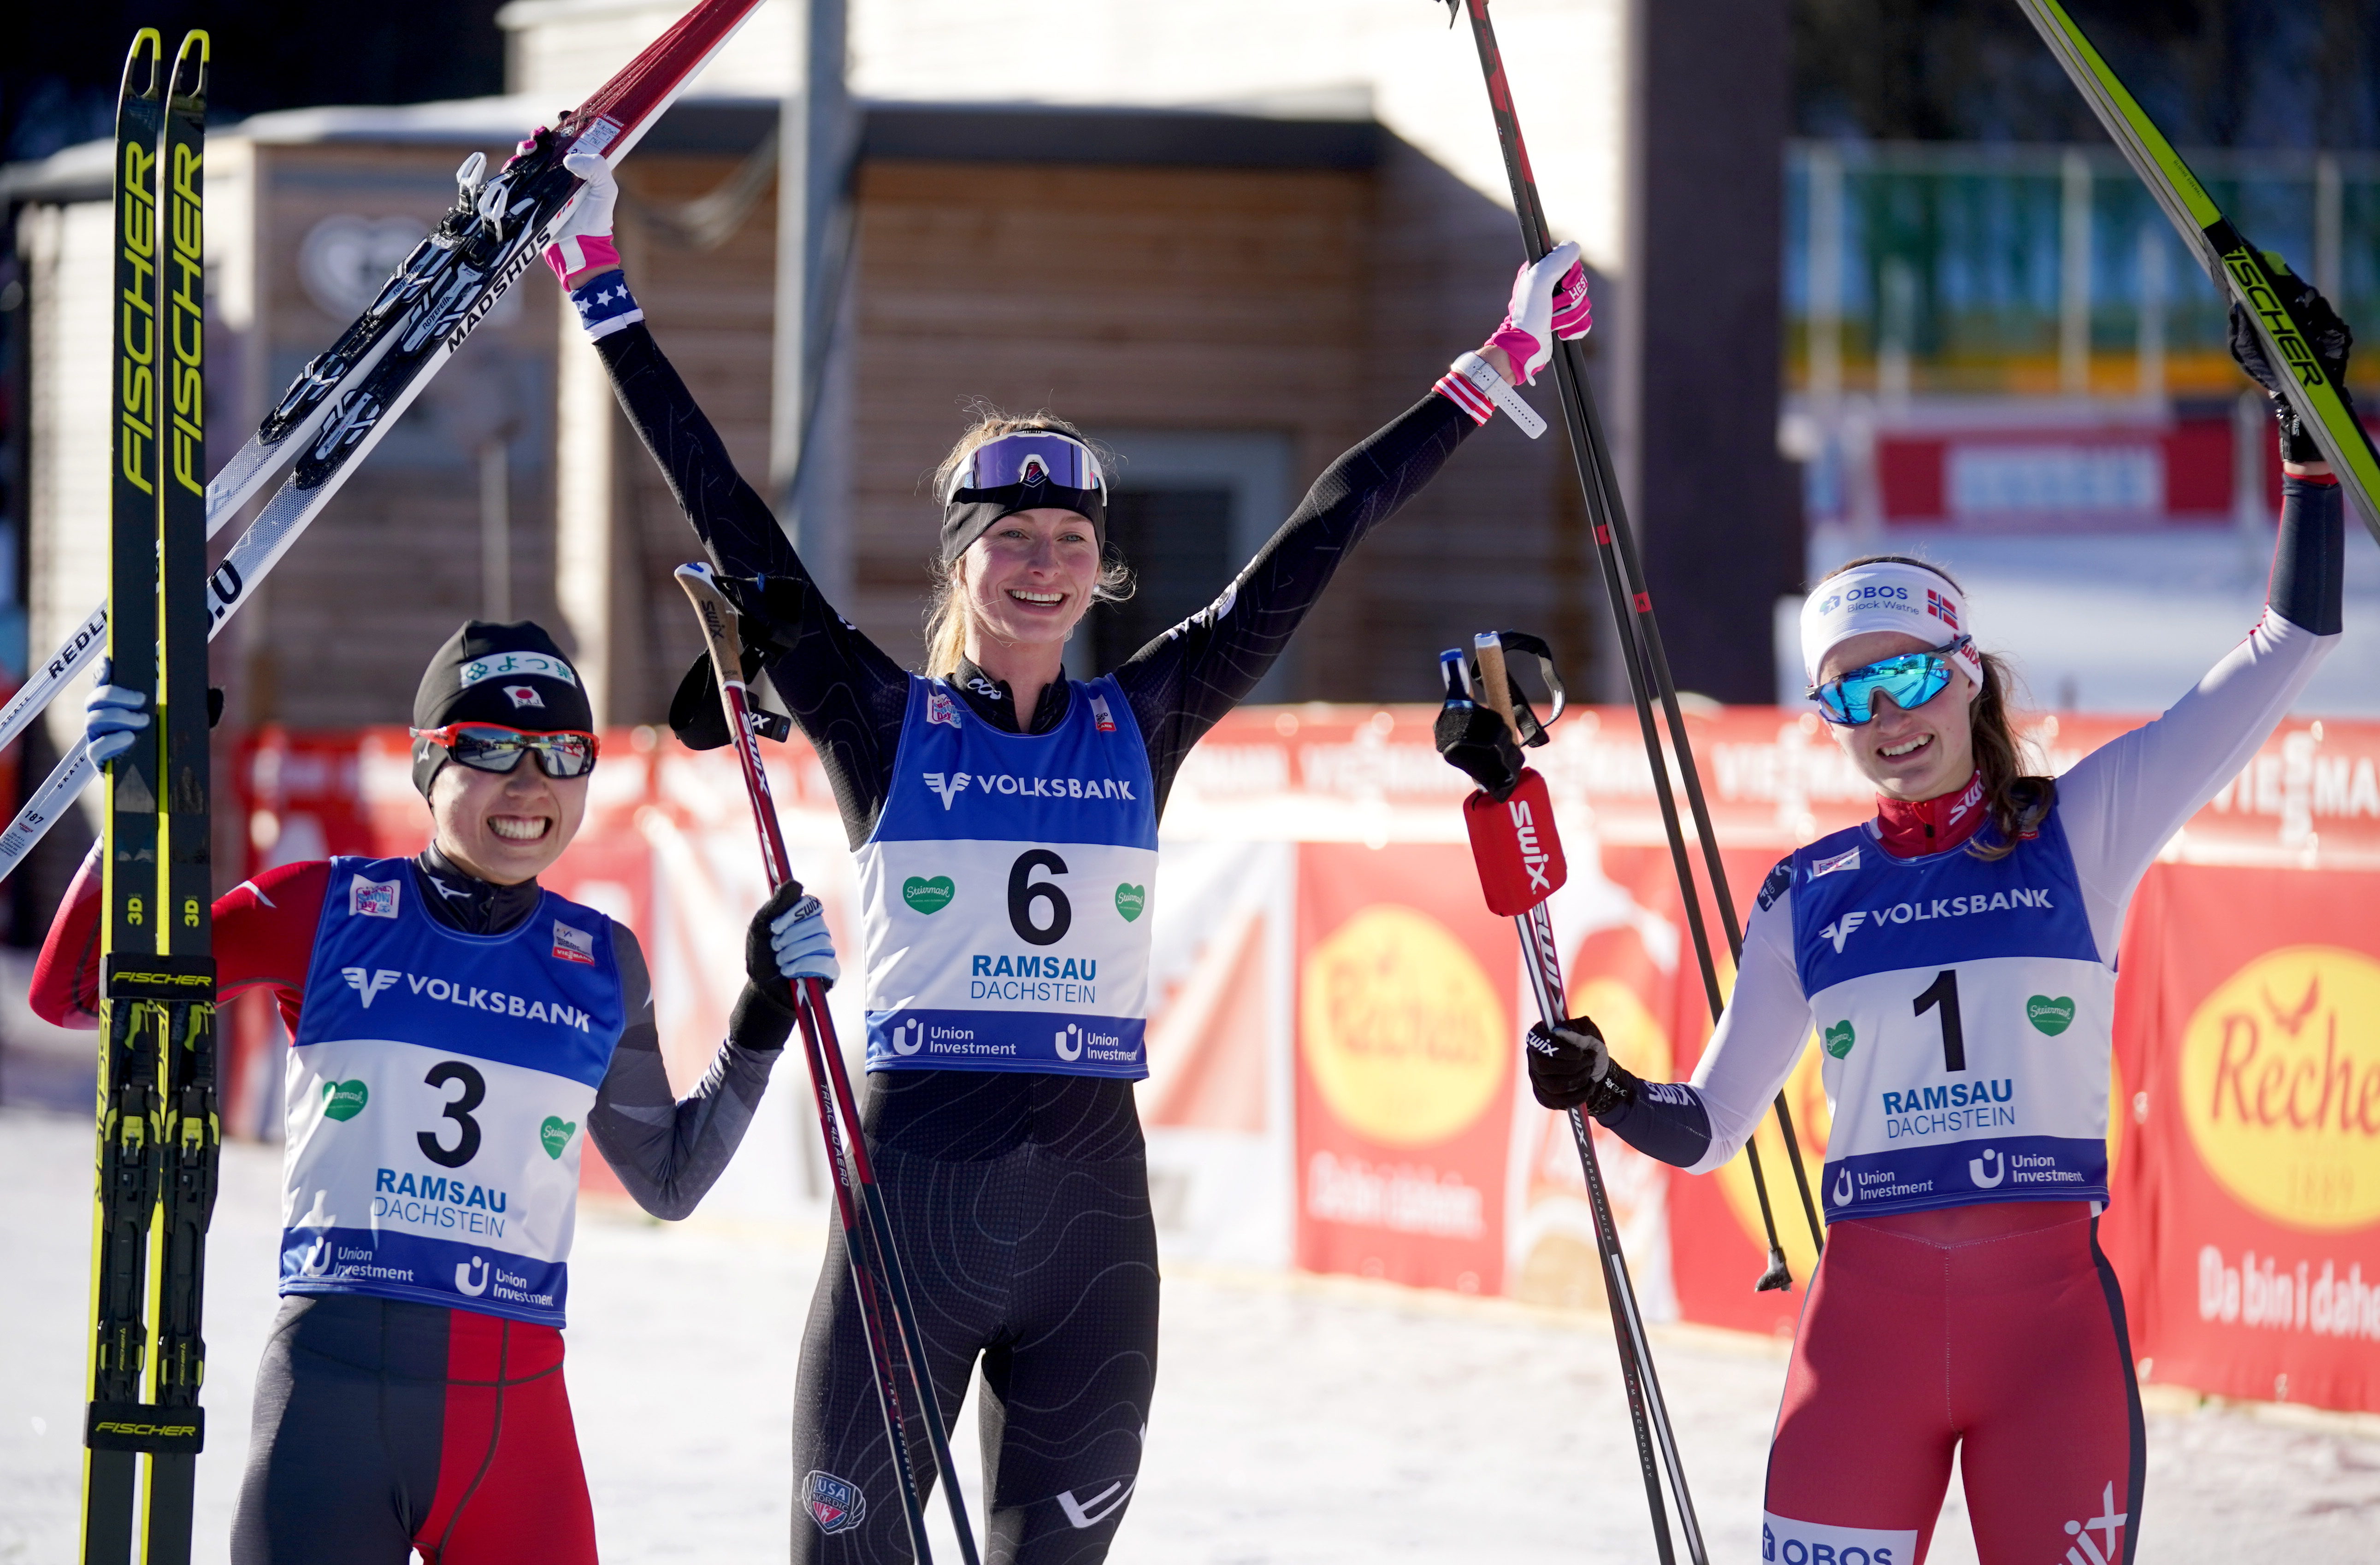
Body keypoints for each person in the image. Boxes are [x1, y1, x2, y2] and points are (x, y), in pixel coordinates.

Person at [536, 150, 1591, 1560]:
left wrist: (1500, 355)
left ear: (1102, 567)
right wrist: (598, 281)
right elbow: (724, 505)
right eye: (1011, 537)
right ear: (961, 563)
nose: (1043, 562)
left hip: (1094, 1222)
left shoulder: (1145, 713)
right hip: (914, 1207)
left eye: (1071, 540)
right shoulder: (874, 715)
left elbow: (1327, 522)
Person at [1520, 280, 2355, 1565]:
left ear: (1964, 670)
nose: (1884, 717)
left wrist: (2304, 434)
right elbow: (1710, 1127)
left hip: (2049, 1338)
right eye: (1846, 699)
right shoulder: (1808, 895)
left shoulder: (2084, 828)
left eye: (1905, 673)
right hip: (1866, 1338)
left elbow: (2288, 639)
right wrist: (1603, 1081)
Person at [32, 620, 841, 1565]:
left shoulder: (599, 962)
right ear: (427, 763)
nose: (529, 783)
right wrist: (127, 805)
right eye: (488, 748)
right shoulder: (320, 908)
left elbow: (667, 1180)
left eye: (562, 753)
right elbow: (77, 991)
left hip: (516, 1423)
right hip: (331, 1400)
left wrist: (759, 1018)